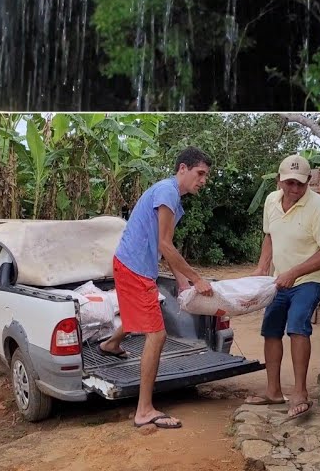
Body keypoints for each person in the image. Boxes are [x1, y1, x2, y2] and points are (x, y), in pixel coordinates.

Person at [101, 147, 215, 430]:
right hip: (134, 267)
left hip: (132, 264)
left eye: (206, 176)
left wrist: (181, 279)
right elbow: (166, 244)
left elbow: (165, 246)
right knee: (157, 334)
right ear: (182, 169)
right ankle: (144, 410)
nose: (203, 180)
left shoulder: (173, 200)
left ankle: (110, 344)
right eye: (200, 173)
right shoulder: (168, 192)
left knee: (137, 314)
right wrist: (197, 278)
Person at [245, 154, 320, 420]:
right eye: (289, 183)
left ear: (308, 181)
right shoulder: (271, 201)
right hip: (280, 277)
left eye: (300, 184)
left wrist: (295, 272)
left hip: (310, 277)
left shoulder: (318, 208)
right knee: (271, 328)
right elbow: (270, 237)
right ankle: (273, 391)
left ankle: (299, 393)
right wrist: (263, 268)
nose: (295, 189)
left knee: (297, 323)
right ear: (279, 180)